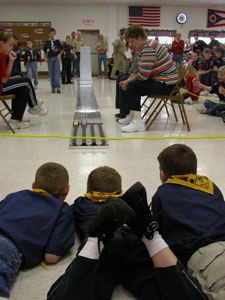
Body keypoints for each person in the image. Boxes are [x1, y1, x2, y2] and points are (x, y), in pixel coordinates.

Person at [47, 184, 208, 300]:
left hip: (103, 251)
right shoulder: (129, 206)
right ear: (121, 193)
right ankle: (151, 236)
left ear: (88, 192)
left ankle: (96, 239)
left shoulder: (81, 203)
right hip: (135, 239)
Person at [151, 143, 225, 300]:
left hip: (205, 258)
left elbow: (157, 235)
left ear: (163, 175)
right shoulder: (211, 185)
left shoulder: (163, 193)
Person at [0, 162, 75, 299]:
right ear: (67, 190)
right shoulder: (62, 210)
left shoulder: (14, 195)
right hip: (6, 249)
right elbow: (51, 257)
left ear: (34, 186)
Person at [118, 25, 178, 133]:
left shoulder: (148, 49)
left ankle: (138, 123)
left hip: (167, 85)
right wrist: (127, 80)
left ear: (139, 38)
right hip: (164, 82)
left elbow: (143, 76)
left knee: (133, 85)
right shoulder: (149, 46)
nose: (131, 46)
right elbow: (140, 72)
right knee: (130, 82)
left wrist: (128, 82)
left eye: (132, 42)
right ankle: (132, 116)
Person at [0, 31, 48, 130]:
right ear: (2, 43)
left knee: (21, 83)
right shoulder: (0, 55)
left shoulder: (3, 55)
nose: (11, 48)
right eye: (10, 45)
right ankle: (34, 106)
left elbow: (6, 76)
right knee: (26, 81)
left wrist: (11, 60)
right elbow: (4, 80)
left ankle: (15, 120)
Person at [115, 47, 140, 119]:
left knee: (125, 81)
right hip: (132, 73)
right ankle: (121, 109)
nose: (131, 45)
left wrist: (128, 80)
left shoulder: (141, 52)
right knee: (120, 78)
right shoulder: (135, 52)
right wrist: (132, 54)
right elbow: (132, 65)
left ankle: (127, 112)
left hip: (135, 74)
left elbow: (137, 70)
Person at [43, 28, 63, 93]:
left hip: (56, 58)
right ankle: (53, 87)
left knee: (57, 73)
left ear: (55, 34)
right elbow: (45, 51)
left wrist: (59, 55)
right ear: (49, 34)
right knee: (51, 73)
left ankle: (58, 87)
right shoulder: (47, 42)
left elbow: (62, 49)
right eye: (51, 34)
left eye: (53, 34)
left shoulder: (57, 41)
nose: (52, 35)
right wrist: (45, 58)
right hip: (50, 58)